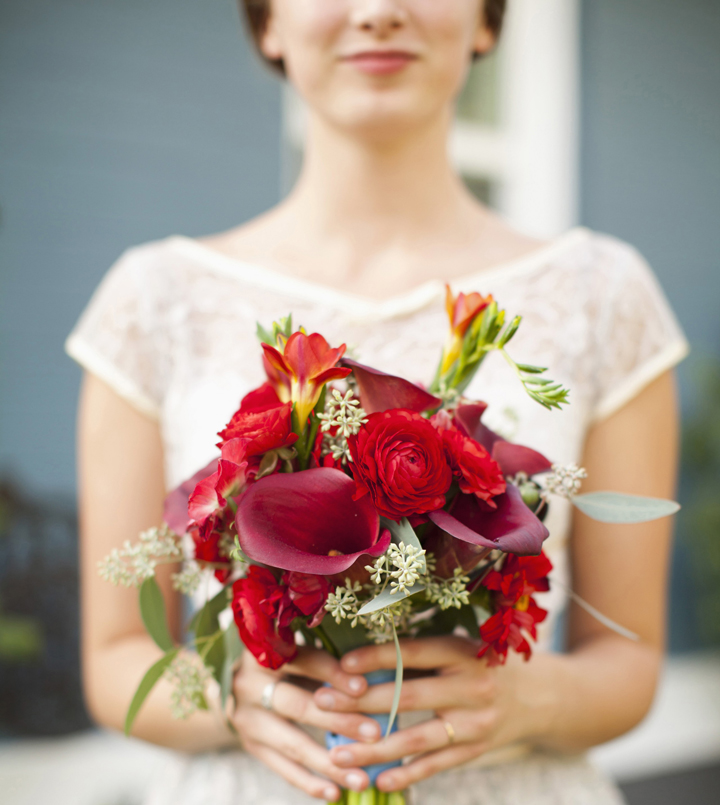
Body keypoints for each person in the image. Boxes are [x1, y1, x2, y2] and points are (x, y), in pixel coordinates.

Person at [66, 1, 689, 803]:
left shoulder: (603, 293)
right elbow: (116, 661)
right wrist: (239, 698)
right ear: (268, 24)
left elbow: (629, 664)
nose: (378, 12)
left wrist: (524, 699)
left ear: (488, 21)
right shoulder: (152, 299)